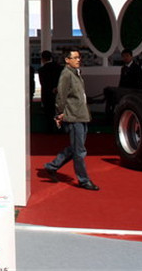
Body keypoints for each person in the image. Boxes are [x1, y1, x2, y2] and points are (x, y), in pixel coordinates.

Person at [44, 49, 99, 191]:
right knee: (79, 150)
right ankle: (83, 180)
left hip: (81, 115)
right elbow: (61, 96)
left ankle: (52, 166)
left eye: (78, 57)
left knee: (76, 147)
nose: (78, 60)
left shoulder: (76, 73)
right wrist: (60, 113)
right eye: (75, 58)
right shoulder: (66, 74)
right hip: (74, 116)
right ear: (67, 60)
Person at [38, 50, 63, 133]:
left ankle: (50, 129)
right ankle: (60, 129)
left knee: (49, 113)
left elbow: (43, 84)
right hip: (60, 93)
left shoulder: (42, 70)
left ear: (42, 59)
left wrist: (51, 89)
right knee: (60, 111)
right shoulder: (60, 68)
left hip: (47, 94)